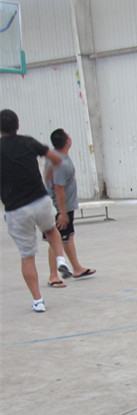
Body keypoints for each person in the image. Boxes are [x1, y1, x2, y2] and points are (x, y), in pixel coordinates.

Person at [0, 109, 71, 312]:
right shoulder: (28, 142)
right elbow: (56, 159)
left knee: (27, 255)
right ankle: (60, 260)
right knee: (51, 231)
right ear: (17, 125)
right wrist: (47, 173)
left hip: (15, 209)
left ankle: (38, 300)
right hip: (39, 200)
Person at [43, 129, 96, 287]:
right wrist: (62, 212)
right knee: (55, 239)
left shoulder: (55, 155)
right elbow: (58, 188)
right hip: (60, 206)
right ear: (67, 141)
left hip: (63, 205)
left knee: (67, 237)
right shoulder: (61, 163)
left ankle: (77, 268)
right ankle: (53, 276)